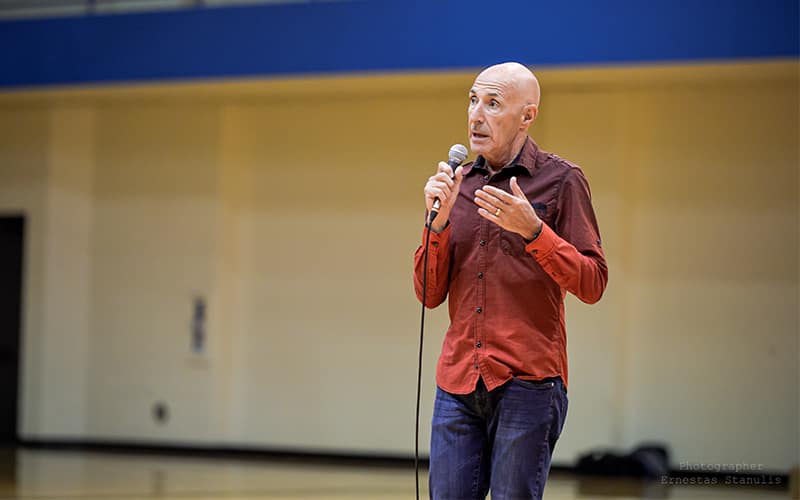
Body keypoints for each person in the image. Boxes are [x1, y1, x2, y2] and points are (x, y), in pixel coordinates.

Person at [413, 62, 608, 499]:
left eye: (493, 103)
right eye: (472, 100)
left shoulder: (562, 181)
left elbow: (594, 282)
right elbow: (428, 294)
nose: (476, 115)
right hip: (458, 382)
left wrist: (535, 232)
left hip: (529, 384)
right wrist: (438, 226)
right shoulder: (456, 185)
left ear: (527, 115)